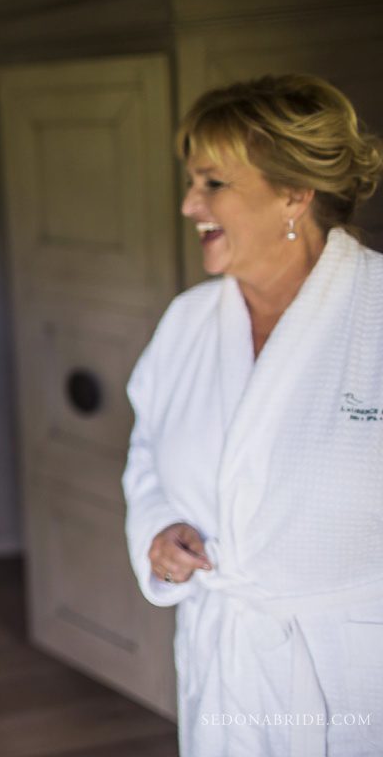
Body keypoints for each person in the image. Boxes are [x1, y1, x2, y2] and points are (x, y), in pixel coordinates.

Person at [123, 74, 383, 756]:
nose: (188, 204)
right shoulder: (187, 323)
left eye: (213, 183)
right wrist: (157, 529)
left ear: (294, 193)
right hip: (224, 665)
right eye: (191, 182)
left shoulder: (376, 316)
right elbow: (146, 451)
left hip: (354, 678)